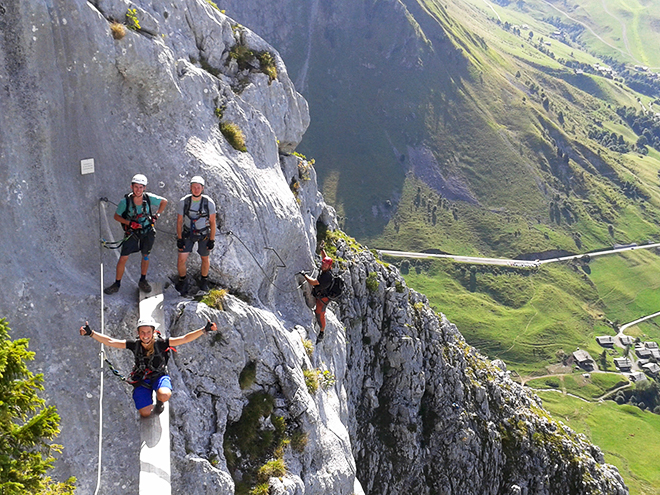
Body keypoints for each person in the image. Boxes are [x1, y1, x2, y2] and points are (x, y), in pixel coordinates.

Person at [80, 317, 217, 417]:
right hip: (142, 378)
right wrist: (91, 333)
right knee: (145, 413)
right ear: (138, 333)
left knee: (164, 394)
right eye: (142, 332)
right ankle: (151, 400)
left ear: (153, 332)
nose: (145, 335)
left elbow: (184, 338)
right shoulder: (135, 344)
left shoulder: (162, 343)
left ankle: (159, 401)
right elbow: (111, 341)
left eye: (148, 332)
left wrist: (204, 329)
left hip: (159, 375)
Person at [104, 174, 168, 295]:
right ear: (131, 187)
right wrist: (130, 223)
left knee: (145, 256)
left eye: (140, 187)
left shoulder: (148, 198)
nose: (138, 190)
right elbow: (116, 216)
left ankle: (143, 280)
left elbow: (164, 201)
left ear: (144, 188)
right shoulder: (125, 202)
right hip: (132, 233)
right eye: (136, 187)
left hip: (147, 231)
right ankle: (116, 284)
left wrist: (157, 215)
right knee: (123, 258)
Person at [175, 176, 217, 295]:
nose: (196, 190)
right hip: (188, 233)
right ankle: (183, 281)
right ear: (190, 187)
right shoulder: (184, 202)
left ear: (202, 188)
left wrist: (212, 240)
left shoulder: (208, 203)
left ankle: (204, 281)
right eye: (194, 187)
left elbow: (213, 222)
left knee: (205, 258)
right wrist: (179, 238)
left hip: (203, 234)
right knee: (181, 259)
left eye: (198, 187)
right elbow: (179, 221)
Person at [301, 249, 333, 343]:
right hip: (321, 293)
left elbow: (313, 282)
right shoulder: (326, 268)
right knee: (318, 311)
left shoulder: (326, 277)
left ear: (329, 267)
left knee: (319, 313)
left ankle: (322, 331)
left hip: (324, 298)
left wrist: (304, 275)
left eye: (325, 265)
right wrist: (322, 250)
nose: (323, 266)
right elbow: (325, 258)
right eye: (323, 264)